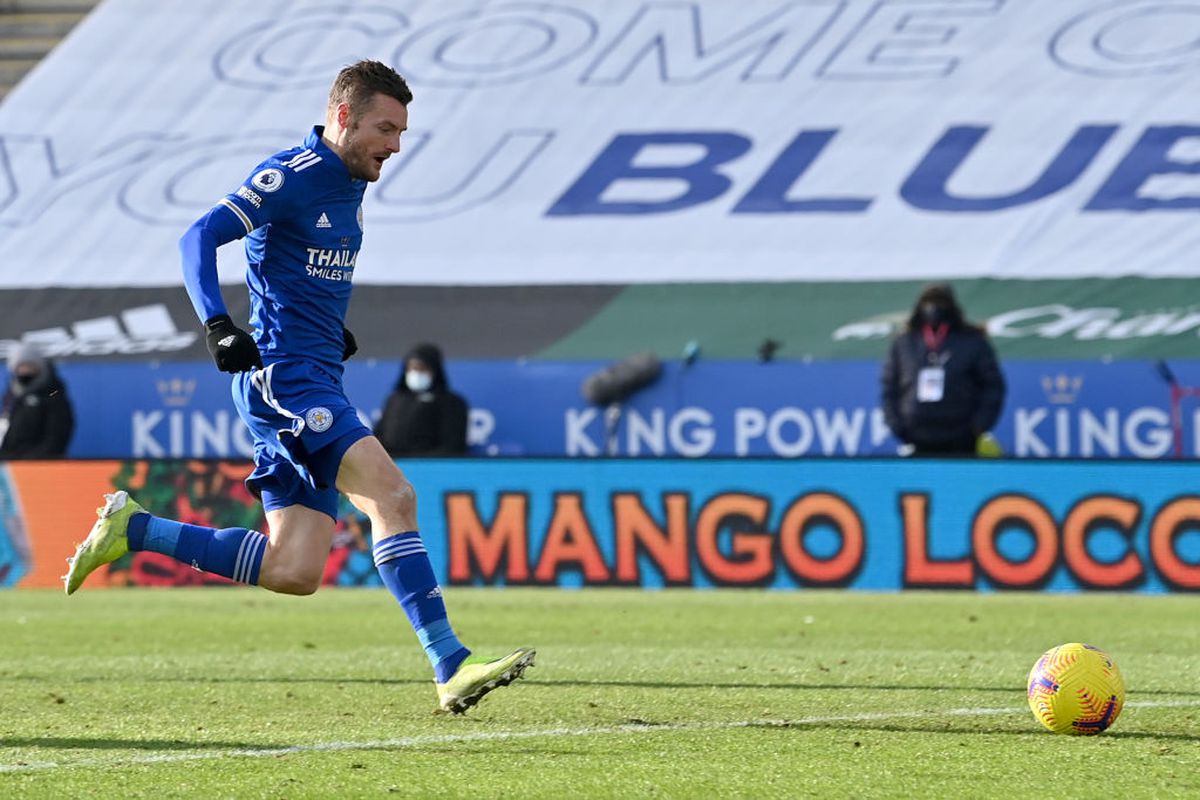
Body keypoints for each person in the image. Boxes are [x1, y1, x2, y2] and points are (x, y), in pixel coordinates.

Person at [63, 60, 534, 714]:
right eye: (385, 128)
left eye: (401, 132)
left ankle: (136, 530)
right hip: (286, 380)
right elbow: (199, 235)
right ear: (342, 116)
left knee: (294, 570)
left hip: (312, 372)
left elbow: (294, 270)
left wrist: (325, 327)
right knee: (394, 497)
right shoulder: (294, 174)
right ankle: (450, 663)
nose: (395, 145)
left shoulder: (349, 181)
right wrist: (218, 325)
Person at [881, 283, 1005, 457]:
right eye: (928, 303)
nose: (933, 308)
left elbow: (993, 386)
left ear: (952, 306)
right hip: (916, 434)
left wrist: (978, 427)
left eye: (940, 302)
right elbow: (889, 388)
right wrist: (898, 427)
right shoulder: (904, 342)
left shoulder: (972, 340)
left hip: (962, 436)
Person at [375, 343, 469, 458]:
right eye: (412, 368)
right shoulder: (394, 399)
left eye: (423, 368)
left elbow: (453, 445)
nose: (416, 373)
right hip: (390, 462)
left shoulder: (451, 402)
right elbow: (378, 436)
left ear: (435, 371)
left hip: (429, 464)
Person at [0, 343, 74, 459]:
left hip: (42, 463)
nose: (23, 371)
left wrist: (35, 459)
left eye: (28, 366)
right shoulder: (13, 395)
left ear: (38, 367)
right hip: (12, 462)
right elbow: (7, 430)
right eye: (19, 367)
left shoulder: (53, 393)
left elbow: (57, 435)